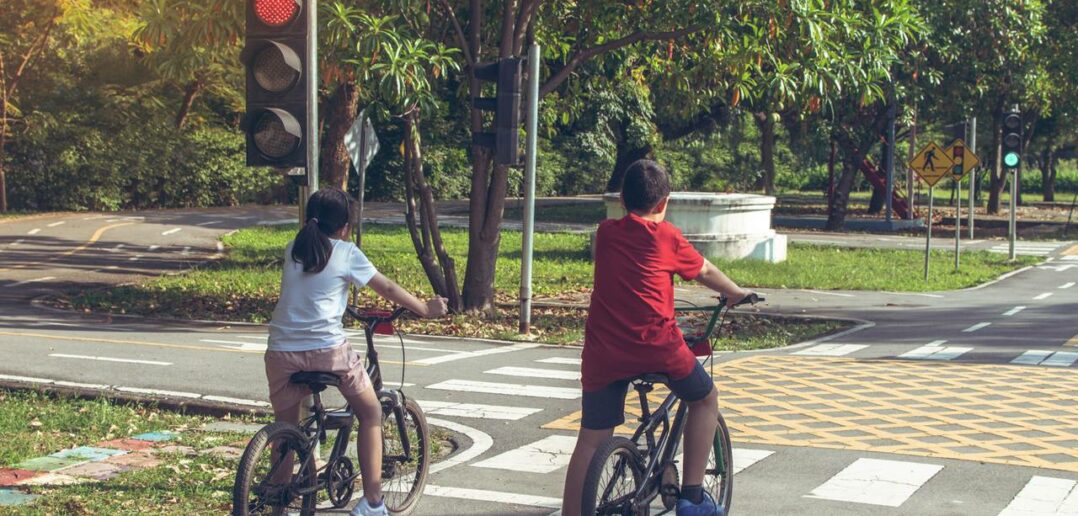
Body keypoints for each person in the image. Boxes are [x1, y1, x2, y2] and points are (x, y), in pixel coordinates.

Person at [561, 160, 751, 516]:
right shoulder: (668, 238)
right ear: (665, 202)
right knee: (706, 398)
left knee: (590, 439)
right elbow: (705, 271)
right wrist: (736, 293)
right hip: (657, 350)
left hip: (604, 354)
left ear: (621, 198)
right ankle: (692, 496)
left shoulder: (606, 233)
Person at [264, 188, 447, 516]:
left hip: (279, 352)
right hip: (326, 351)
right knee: (370, 413)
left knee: (286, 433)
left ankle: (277, 499)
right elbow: (387, 288)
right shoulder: (346, 252)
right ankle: (373, 503)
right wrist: (424, 308)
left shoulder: (295, 248)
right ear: (345, 227)